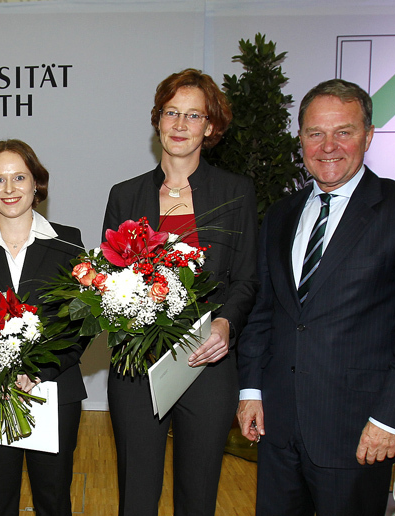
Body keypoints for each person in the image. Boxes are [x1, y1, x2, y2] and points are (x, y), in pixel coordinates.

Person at [236, 78, 395, 516]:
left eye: (344, 131)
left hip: (359, 433)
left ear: (368, 135)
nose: (328, 145)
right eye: (315, 133)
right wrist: (251, 390)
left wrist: (390, 419)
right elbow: (265, 313)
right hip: (277, 429)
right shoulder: (280, 215)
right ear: (301, 139)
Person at [102, 69, 258, 516]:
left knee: (198, 495)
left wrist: (227, 322)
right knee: (136, 496)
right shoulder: (124, 194)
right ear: (158, 120)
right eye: (172, 112)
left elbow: (247, 277)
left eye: (194, 115)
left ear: (210, 127)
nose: (180, 124)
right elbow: (106, 278)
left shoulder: (236, 192)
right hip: (137, 363)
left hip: (207, 362)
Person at [0, 139, 86, 516]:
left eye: (19, 177)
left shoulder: (67, 243)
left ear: (36, 184)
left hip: (54, 393)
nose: (9, 189)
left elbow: (79, 326)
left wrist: (37, 371)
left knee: (53, 500)